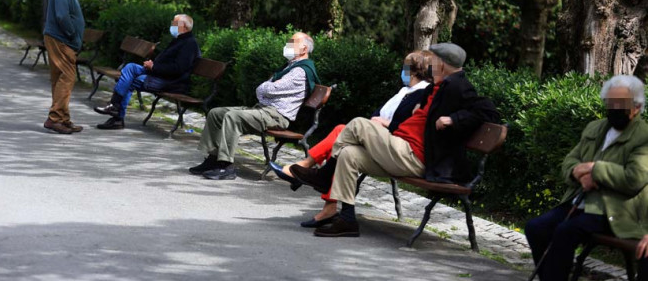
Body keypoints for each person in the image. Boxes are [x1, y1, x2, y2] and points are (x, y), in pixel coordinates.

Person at [289, 43, 500, 237]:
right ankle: (347, 219)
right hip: (399, 148)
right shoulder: (435, 87)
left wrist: (453, 119)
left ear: (442, 64)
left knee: (358, 124)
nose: (429, 66)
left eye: (433, 61)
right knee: (349, 154)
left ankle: (324, 175)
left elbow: (489, 113)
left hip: (414, 156)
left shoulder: (458, 86)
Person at [270, 50, 432, 227]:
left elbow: (408, 125)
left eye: (405, 67)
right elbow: (376, 114)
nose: (403, 70)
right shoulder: (404, 91)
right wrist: (379, 123)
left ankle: (310, 170)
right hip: (380, 139)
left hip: (395, 146)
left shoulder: (422, 94)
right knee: (345, 147)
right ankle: (328, 202)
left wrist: (385, 123)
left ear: (416, 70)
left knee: (346, 130)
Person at [525, 75, 648, 281]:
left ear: (636, 107)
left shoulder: (643, 136)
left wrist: (596, 169)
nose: (614, 109)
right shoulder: (595, 128)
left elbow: (634, 178)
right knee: (536, 228)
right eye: (611, 103)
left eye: (621, 104)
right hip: (580, 200)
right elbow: (570, 161)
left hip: (614, 209)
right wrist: (577, 174)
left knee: (565, 231)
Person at [189, 32, 320, 180]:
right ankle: (213, 159)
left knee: (233, 117)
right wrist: (267, 87)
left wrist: (265, 86)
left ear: (303, 49)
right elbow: (268, 88)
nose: (287, 45)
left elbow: (271, 89)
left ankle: (225, 165)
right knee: (216, 113)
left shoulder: (300, 71)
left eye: (291, 43)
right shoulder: (290, 66)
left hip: (276, 115)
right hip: (263, 110)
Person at [94, 14, 201, 130]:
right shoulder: (179, 40)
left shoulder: (189, 44)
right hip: (159, 75)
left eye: (175, 24)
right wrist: (153, 63)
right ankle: (115, 108)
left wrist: (154, 67)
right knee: (130, 67)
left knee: (129, 80)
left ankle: (117, 115)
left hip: (171, 82)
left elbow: (178, 69)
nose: (172, 26)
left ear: (184, 26)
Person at [42, 0, 87, 135]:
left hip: (59, 38)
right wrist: (72, 34)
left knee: (60, 77)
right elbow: (62, 15)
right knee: (67, 76)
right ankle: (55, 118)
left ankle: (62, 118)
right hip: (61, 39)